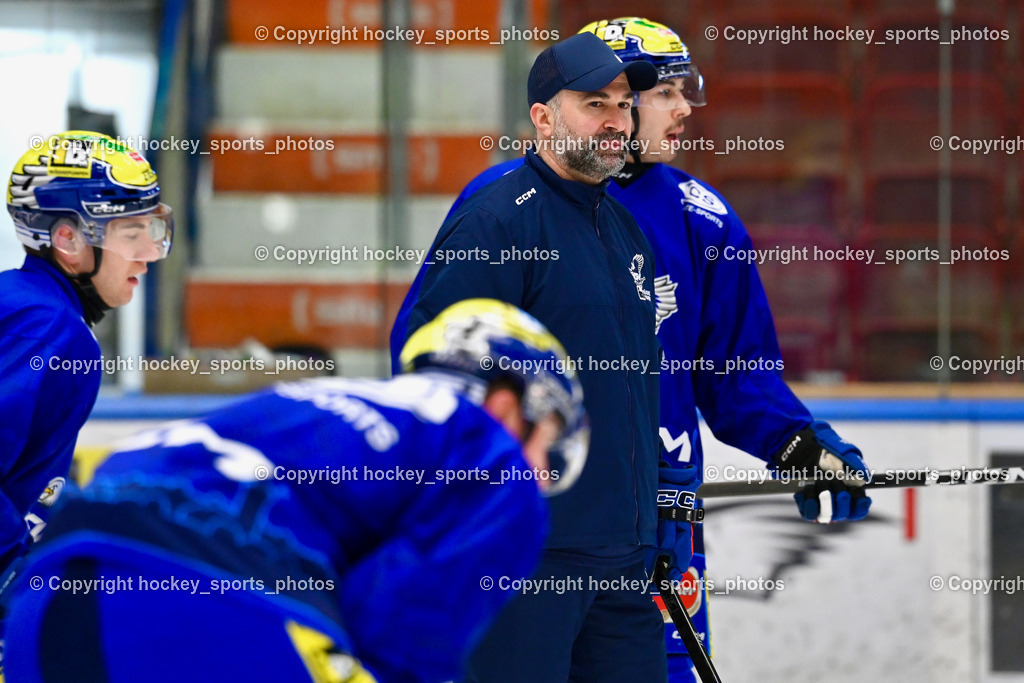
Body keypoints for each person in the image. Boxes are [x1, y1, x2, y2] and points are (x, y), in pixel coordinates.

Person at [392, 18, 873, 682]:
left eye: (650, 96)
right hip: (534, 537)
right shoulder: (501, 208)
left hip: (649, 535)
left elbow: (731, 372)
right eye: (663, 92)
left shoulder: (693, 220)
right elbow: (433, 361)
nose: (683, 108)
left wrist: (797, 445)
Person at [2, 298, 590, 683]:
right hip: (211, 593)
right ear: (512, 404)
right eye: (547, 446)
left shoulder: (318, 405)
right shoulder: (488, 450)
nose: (538, 476)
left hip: (49, 586)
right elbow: (406, 633)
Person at [394, 32, 692, 682]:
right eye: (595, 104)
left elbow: (633, 392)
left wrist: (654, 508)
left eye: (622, 103)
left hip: (623, 558)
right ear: (542, 117)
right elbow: (433, 383)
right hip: (526, 558)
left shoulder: (624, 230)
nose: (616, 120)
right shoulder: (496, 223)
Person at [0, 131, 173, 575]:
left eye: (153, 230)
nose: (148, 255)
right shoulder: (48, 329)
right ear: (69, 240)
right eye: (131, 234)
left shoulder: (24, 303)